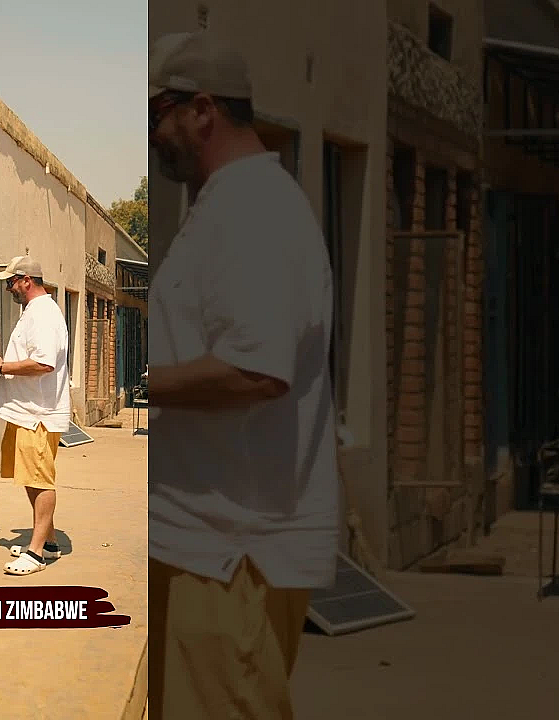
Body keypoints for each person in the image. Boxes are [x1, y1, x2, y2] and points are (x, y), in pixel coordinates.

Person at [147, 31, 339, 718]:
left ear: (202, 109)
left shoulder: (254, 207)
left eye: (157, 114)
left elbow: (256, 372)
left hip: (233, 555)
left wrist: (137, 387)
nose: (153, 135)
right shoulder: (227, 204)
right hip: (205, 544)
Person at [0, 256, 71, 576]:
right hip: (28, 411)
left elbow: (44, 364)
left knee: (40, 480)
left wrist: (1, 367)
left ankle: (36, 553)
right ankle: (48, 541)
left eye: (11, 282)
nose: (8, 288)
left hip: (39, 413)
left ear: (26, 280)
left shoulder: (44, 314)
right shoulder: (35, 311)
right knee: (31, 478)